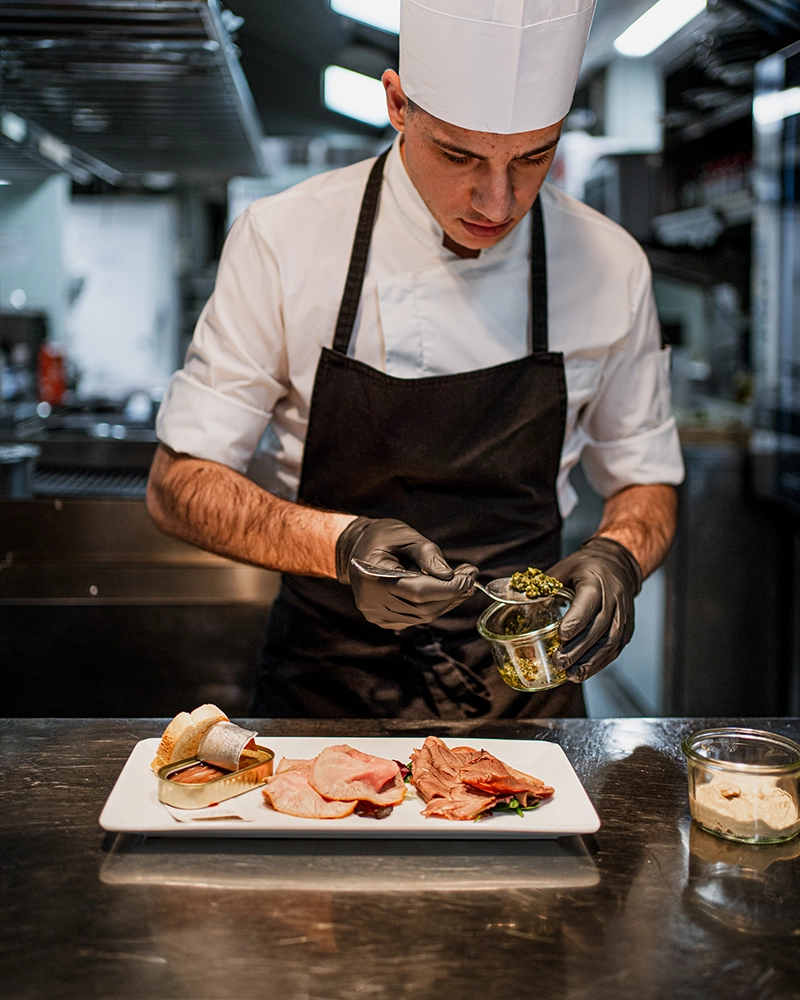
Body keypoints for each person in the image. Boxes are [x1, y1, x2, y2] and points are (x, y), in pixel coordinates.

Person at [148, 0, 684, 720]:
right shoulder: (284, 239)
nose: (498, 200)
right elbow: (178, 485)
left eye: (533, 156)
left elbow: (645, 478)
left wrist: (620, 553)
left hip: (528, 693)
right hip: (325, 693)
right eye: (460, 155)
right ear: (398, 104)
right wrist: (341, 545)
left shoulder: (611, 264)